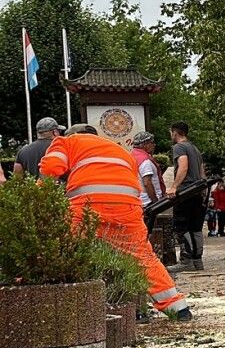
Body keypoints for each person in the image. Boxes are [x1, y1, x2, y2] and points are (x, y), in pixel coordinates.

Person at [40, 125, 191, 320]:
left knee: (69, 250)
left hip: (87, 207)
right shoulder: (119, 150)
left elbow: (51, 169)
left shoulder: (66, 142)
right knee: (143, 257)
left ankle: (73, 308)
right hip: (127, 207)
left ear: (72, 135)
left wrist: (39, 196)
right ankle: (178, 309)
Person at [168, 121, 207, 271]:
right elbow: (202, 171)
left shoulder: (179, 147)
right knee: (195, 227)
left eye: (171, 133)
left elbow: (183, 167)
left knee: (181, 226)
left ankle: (186, 260)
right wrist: (203, 189)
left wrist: (174, 186)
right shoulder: (195, 148)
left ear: (175, 132)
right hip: (197, 191)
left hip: (185, 191)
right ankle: (197, 260)